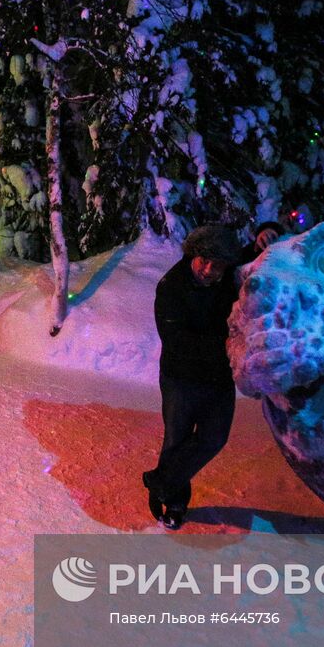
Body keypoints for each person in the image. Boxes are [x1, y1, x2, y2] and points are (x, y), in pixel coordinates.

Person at [142, 224, 242, 529]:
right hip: (180, 379)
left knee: (214, 438)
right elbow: (177, 340)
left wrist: (268, 228)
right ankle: (174, 501)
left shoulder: (231, 281)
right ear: (193, 255)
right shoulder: (171, 285)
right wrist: (227, 345)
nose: (209, 270)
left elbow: (259, 254)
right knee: (177, 440)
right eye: (204, 261)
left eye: (218, 265)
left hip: (219, 380)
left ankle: (160, 481)